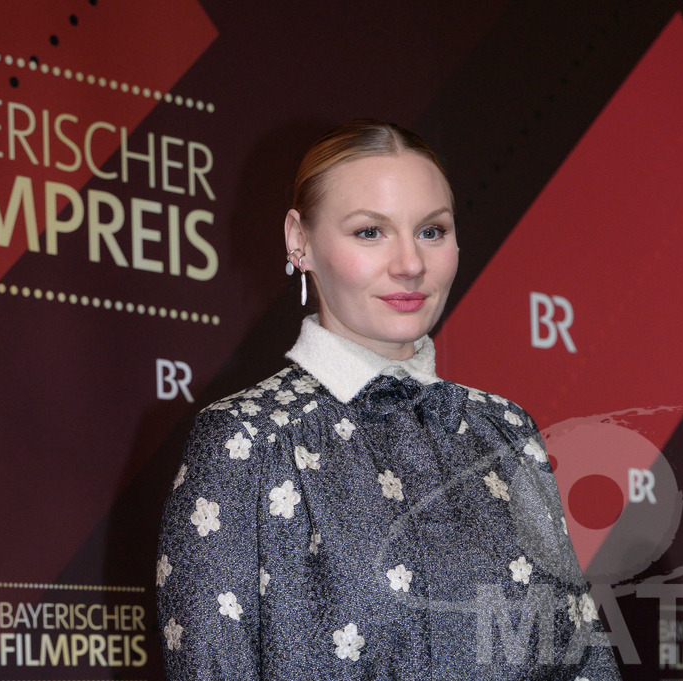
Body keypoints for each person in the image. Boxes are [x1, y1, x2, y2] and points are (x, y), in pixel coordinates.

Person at [156, 119, 620, 679]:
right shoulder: (247, 440)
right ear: (299, 241)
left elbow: (580, 658)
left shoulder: (505, 429)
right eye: (370, 232)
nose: (410, 263)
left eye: (432, 231)